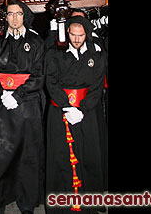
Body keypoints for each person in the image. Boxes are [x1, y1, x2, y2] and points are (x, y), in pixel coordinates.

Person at [0, 0, 45, 214]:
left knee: (27, 156)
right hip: (1, 107)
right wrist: (1, 94)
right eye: (10, 14)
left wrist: (18, 95)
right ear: (5, 17)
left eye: (18, 14)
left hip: (26, 106)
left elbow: (38, 75)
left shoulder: (36, 42)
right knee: (0, 156)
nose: (14, 18)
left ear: (25, 16)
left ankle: (26, 203)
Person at [44, 16, 107, 213]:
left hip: (87, 112)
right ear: (67, 33)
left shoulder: (96, 55)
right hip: (61, 110)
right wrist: (67, 106)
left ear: (86, 34)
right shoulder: (54, 54)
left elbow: (97, 85)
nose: (77, 39)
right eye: (73, 34)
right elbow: (51, 82)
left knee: (90, 154)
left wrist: (83, 109)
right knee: (61, 156)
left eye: (81, 35)